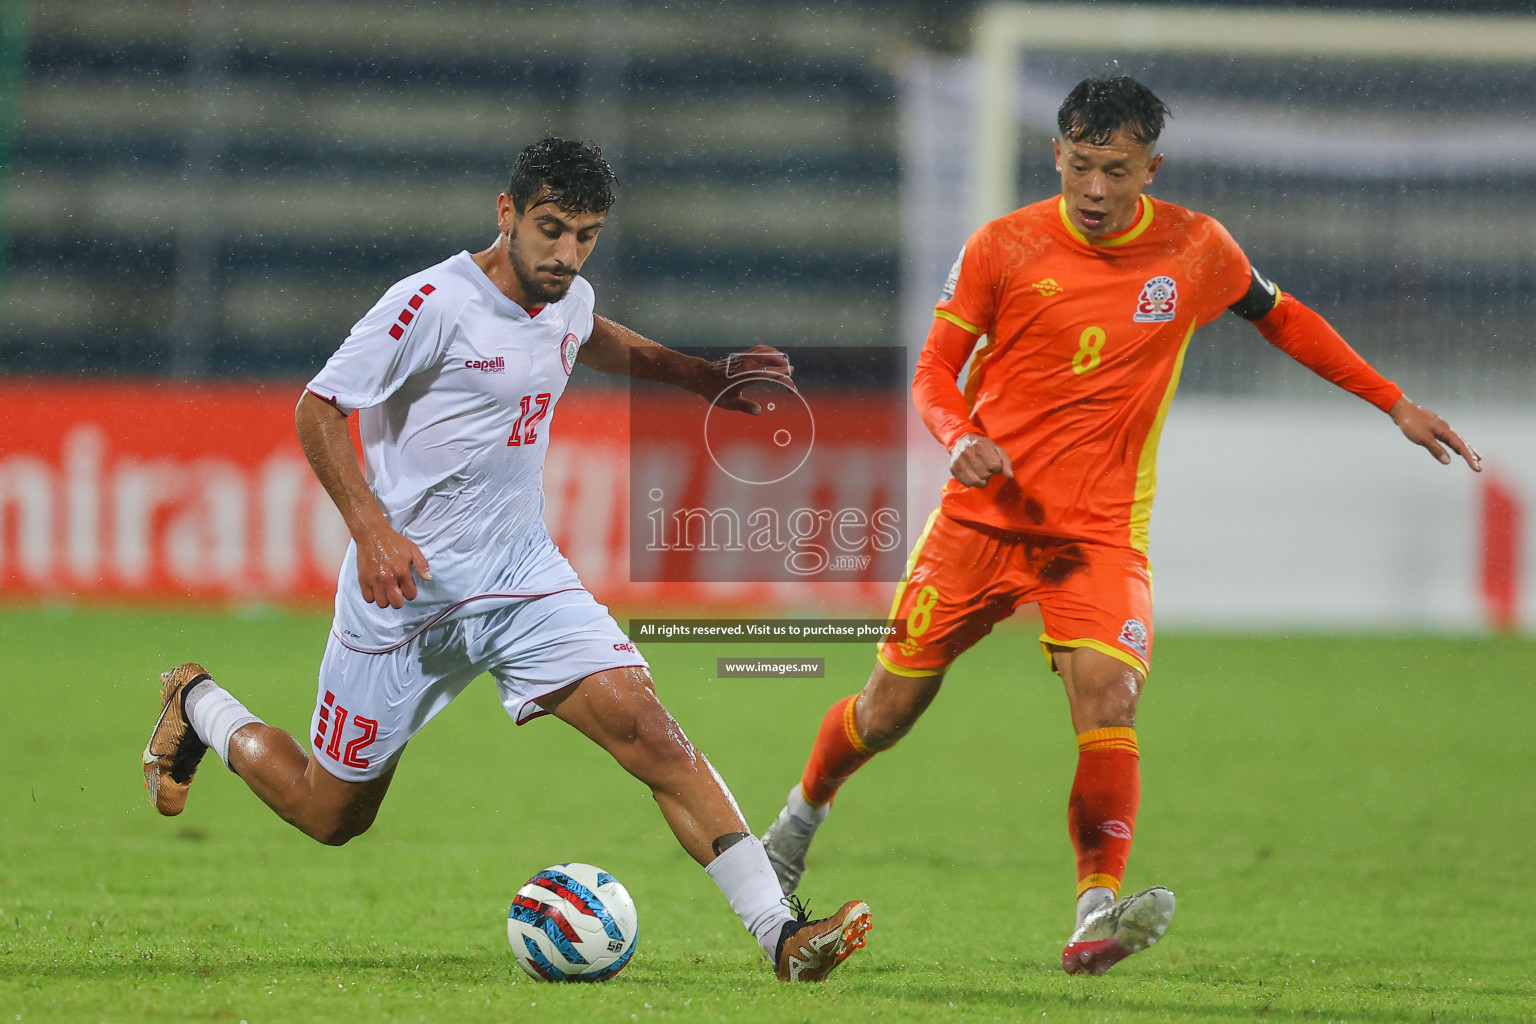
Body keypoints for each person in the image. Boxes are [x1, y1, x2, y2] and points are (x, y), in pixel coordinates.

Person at [760, 76, 1481, 977]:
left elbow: (1282, 318)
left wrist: (1394, 402)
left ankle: (1095, 912)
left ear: (1151, 167)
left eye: (1117, 171)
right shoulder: (1003, 245)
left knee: (1108, 697)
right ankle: (797, 821)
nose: (1095, 191)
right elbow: (936, 372)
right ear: (1056, 152)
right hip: (981, 523)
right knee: (888, 708)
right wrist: (959, 436)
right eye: (1081, 167)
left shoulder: (1195, 247)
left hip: (1098, 535)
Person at [141, 137, 871, 983]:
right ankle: (198, 703)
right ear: (507, 213)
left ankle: (781, 936)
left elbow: (592, 336)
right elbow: (317, 408)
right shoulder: (429, 304)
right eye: (551, 230)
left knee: (651, 732)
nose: (566, 255)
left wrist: (700, 377)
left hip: (523, 580)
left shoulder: (568, 293)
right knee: (328, 813)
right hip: (405, 599)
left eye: (586, 235)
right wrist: (373, 531)